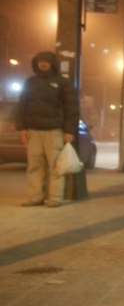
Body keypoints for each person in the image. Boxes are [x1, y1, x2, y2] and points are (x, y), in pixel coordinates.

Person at [15, 51, 79, 208]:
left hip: (54, 131)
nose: (42, 64)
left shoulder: (63, 83)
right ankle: (35, 197)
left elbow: (72, 108)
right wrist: (21, 128)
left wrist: (69, 131)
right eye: (40, 61)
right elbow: (22, 105)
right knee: (34, 166)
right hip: (33, 132)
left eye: (46, 62)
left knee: (55, 166)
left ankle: (55, 198)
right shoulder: (30, 82)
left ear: (52, 64)